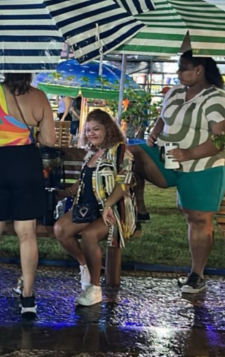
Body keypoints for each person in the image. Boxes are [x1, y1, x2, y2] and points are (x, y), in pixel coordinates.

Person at [131, 51, 225, 293]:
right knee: (129, 154)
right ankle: (139, 209)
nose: (178, 73)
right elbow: (163, 116)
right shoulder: (176, 92)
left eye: (183, 69)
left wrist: (189, 154)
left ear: (199, 70)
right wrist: (155, 132)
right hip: (169, 157)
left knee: (198, 219)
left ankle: (196, 275)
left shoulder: (217, 98)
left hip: (207, 165)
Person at [0, 73, 56, 318]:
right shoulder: (39, 97)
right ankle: (28, 297)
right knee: (27, 233)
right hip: (26, 163)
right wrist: (35, 134)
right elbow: (49, 140)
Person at [54, 110, 136, 307]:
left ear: (108, 129)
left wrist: (108, 205)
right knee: (60, 229)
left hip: (115, 210)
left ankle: (95, 288)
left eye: (96, 129)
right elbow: (83, 183)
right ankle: (85, 265)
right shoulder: (91, 152)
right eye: (88, 130)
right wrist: (63, 193)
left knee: (90, 235)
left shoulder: (120, 150)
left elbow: (124, 183)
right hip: (88, 209)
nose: (91, 133)